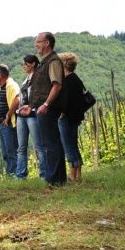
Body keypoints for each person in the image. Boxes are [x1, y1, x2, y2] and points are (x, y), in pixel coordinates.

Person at [26, 32, 66, 186]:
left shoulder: (53, 61)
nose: (36, 45)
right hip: (42, 108)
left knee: (51, 144)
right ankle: (58, 179)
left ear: (47, 43)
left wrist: (46, 104)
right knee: (51, 143)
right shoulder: (45, 62)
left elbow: (57, 85)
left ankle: (54, 180)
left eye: (38, 42)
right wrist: (30, 107)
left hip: (48, 109)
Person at [14, 55, 46, 178]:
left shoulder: (37, 78)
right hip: (22, 115)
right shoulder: (26, 79)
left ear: (32, 64)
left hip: (32, 114)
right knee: (21, 147)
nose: (23, 66)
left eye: (25, 64)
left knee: (39, 146)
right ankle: (21, 174)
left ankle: (44, 173)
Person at [57, 52, 86, 181]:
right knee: (73, 144)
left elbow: (65, 101)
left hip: (67, 117)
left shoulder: (68, 81)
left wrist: (61, 113)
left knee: (68, 146)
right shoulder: (76, 79)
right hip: (75, 117)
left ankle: (72, 174)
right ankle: (78, 174)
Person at [0, 64, 20, 176]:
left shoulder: (11, 85)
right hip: (3, 125)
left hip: (8, 124)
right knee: (6, 153)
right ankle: (11, 175)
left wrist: (8, 115)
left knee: (11, 152)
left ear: (0, 75)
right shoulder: (3, 88)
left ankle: (14, 176)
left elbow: (17, 99)